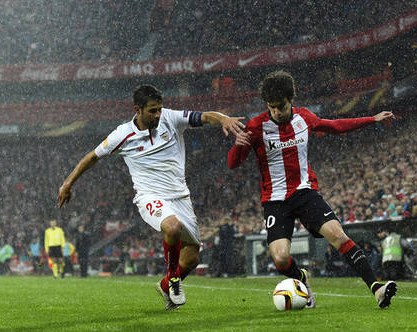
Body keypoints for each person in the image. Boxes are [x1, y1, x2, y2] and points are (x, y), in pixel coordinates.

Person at [58, 84, 244, 309]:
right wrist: (68, 183)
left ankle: (166, 285)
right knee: (172, 227)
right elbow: (92, 157)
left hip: (180, 196)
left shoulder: (170, 118)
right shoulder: (122, 134)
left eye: (159, 109)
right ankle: (174, 279)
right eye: (152, 110)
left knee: (193, 258)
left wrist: (223, 119)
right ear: (138, 109)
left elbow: (203, 116)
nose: (158, 115)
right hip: (149, 196)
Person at [227, 70, 397, 309]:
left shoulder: (304, 117)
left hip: (305, 193)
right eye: (271, 107)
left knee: (337, 235)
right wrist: (237, 147)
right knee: (280, 258)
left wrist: (372, 119)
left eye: (281, 106)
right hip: (275, 200)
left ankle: (376, 288)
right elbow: (233, 164)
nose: (276, 112)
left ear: (291, 101)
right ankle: (302, 279)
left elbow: (335, 126)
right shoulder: (256, 127)